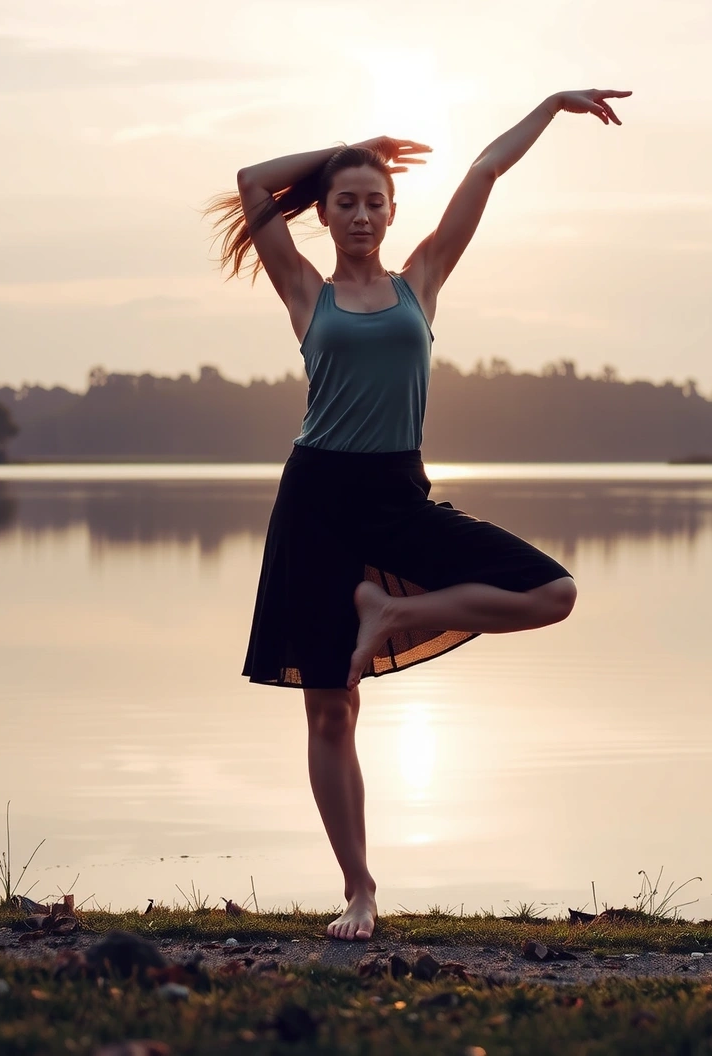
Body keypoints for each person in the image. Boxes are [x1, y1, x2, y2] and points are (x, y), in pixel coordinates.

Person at [209, 88, 632, 940]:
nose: (362, 214)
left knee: (554, 592)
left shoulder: (421, 284)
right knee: (331, 707)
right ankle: (359, 889)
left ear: (393, 213)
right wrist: (351, 144)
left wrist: (550, 106)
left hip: (398, 496)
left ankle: (395, 610)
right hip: (318, 500)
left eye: (375, 201)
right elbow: (254, 181)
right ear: (325, 216)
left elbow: (483, 170)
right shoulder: (305, 292)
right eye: (346, 202)